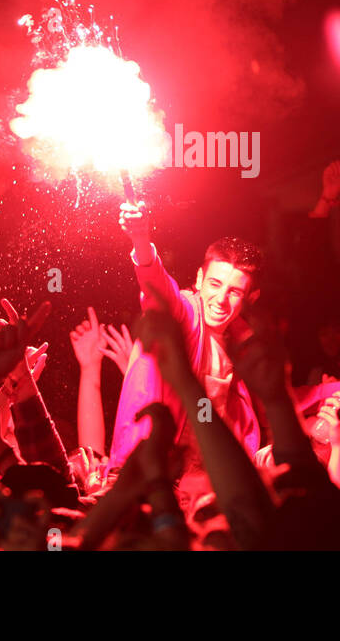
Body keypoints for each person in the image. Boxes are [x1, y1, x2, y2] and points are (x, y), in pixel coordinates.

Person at [106, 199, 263, 476]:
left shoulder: (246, 352)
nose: (221, 299)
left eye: (234, 292)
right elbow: (157, 285)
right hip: (148, 476)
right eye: (215, 284)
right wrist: (141, 240)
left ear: (251, 298)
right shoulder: (185, 315)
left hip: (202, 491)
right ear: (200, 278)